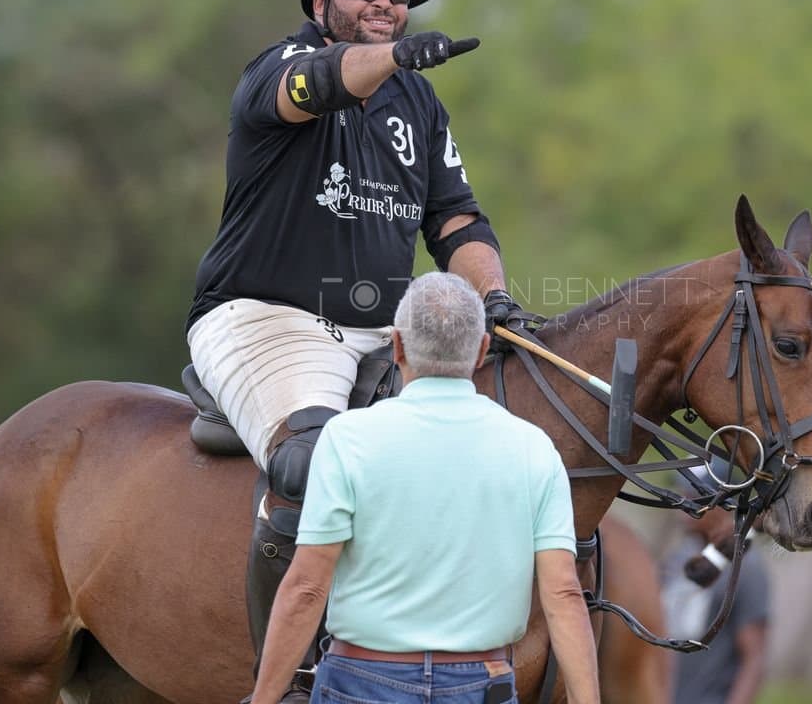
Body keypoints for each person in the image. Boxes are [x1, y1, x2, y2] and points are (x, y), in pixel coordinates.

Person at [183, 0, 526, 695]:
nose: (384, 1)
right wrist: (392, 54)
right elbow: (318, 86)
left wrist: (494, 300)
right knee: (309, 466)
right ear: (318, 3)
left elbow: (458, 218)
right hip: (263, 317)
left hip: (384, 331)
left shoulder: (418, 106)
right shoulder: (281, 68)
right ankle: (296, 677)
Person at [247, 272, 600, 704]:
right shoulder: (534, 448)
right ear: (481, 352)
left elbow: (306, 588)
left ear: (396, 346)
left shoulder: (347, 438)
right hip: (481, 684)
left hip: (362, 679)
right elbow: (563, 594)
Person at [660, 518, 770, 704]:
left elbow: (753, 658)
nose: (685, 505)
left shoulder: (747, 568)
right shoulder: (679, 557)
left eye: (696, 496)